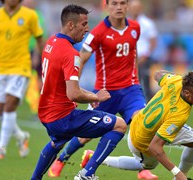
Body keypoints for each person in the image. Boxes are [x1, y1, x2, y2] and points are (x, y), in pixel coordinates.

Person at [48, 0, 157, 179]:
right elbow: (81, 59)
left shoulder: (135, 28)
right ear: (107, 6)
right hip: (106, 93)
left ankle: (142, 169)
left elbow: (132, 54)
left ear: (127, 6)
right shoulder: (98, 32)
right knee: (85, 136)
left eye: (123, 3)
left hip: (131, 90)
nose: (119, 7)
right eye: (114, 3)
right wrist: (76, 88)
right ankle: (62, 158)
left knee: (142, 126)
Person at [30, 4, 127, 180]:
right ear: (71, 25)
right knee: (119, 125)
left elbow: (65, 86)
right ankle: (87, 174)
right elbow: (73, 94)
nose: (87, 29)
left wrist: (90, 96)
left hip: (47, 113)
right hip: (64, 117)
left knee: (56, 142)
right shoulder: (70, 53)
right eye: (84, 24)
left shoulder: (51, 42)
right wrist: (96, 96)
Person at [81, 70, 193, 180]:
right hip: (141, 138)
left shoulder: (177, 80)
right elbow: (155, 147)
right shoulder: (179, 115)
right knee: (146, 165)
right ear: (187, 93)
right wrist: (176, 172)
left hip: (152, 121)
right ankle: (94, 158)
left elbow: (157, 74)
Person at [0, 0, 44, 159]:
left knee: (10, 105)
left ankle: (1, 148)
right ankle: (20, 135)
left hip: (21, 68)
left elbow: (39, 40)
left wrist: (41, 66)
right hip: (1, 69)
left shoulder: (30, 15)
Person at [129, 0, 158, 101]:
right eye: (133, 7)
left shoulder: (147, 23)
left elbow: (153, 42)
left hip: (143, 58)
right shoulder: (125, 22)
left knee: (145, 82)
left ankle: (149, 104)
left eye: (136, 8)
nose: (134, 10)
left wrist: (145, 55)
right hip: (129, 58)